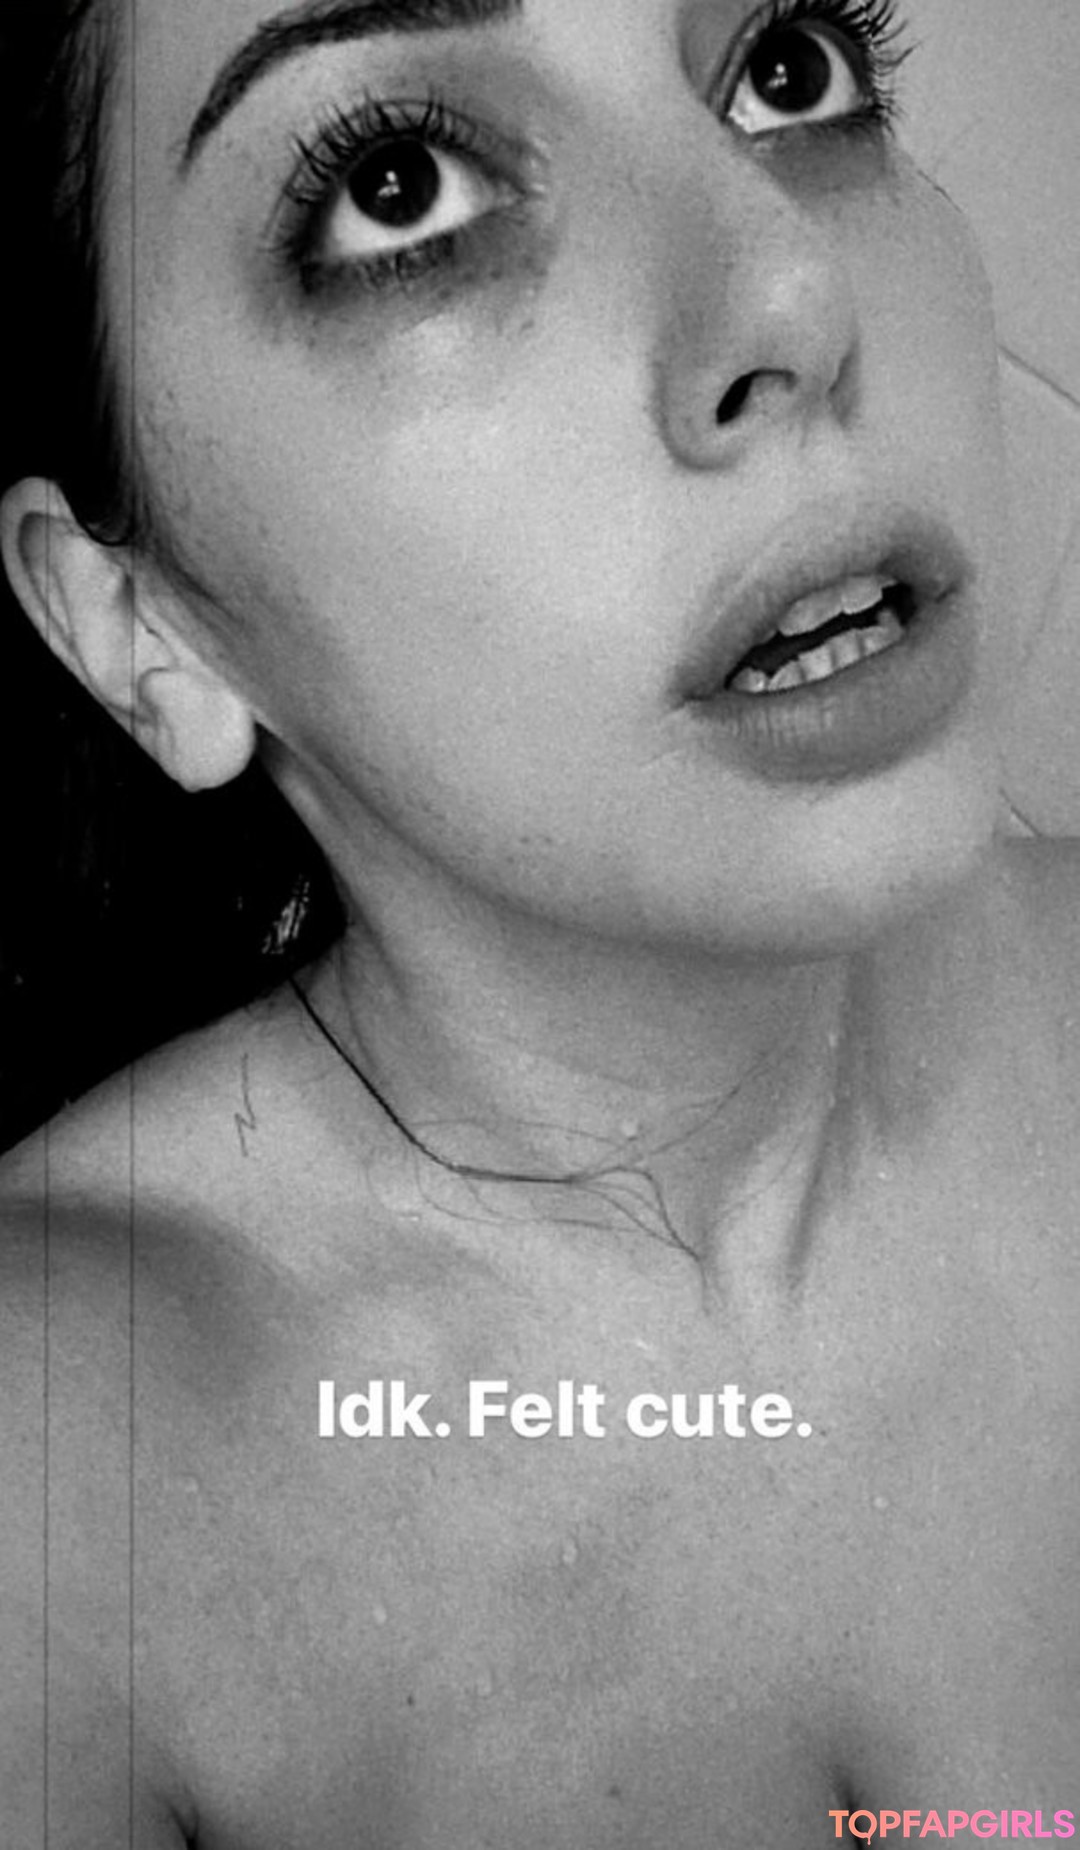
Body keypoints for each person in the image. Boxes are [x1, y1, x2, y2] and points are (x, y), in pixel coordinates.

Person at [1, 0, 1077, 1843]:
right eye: (399, 187)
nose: (793, 293)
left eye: (787, 66)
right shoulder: (55, 1491)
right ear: (136, 629)